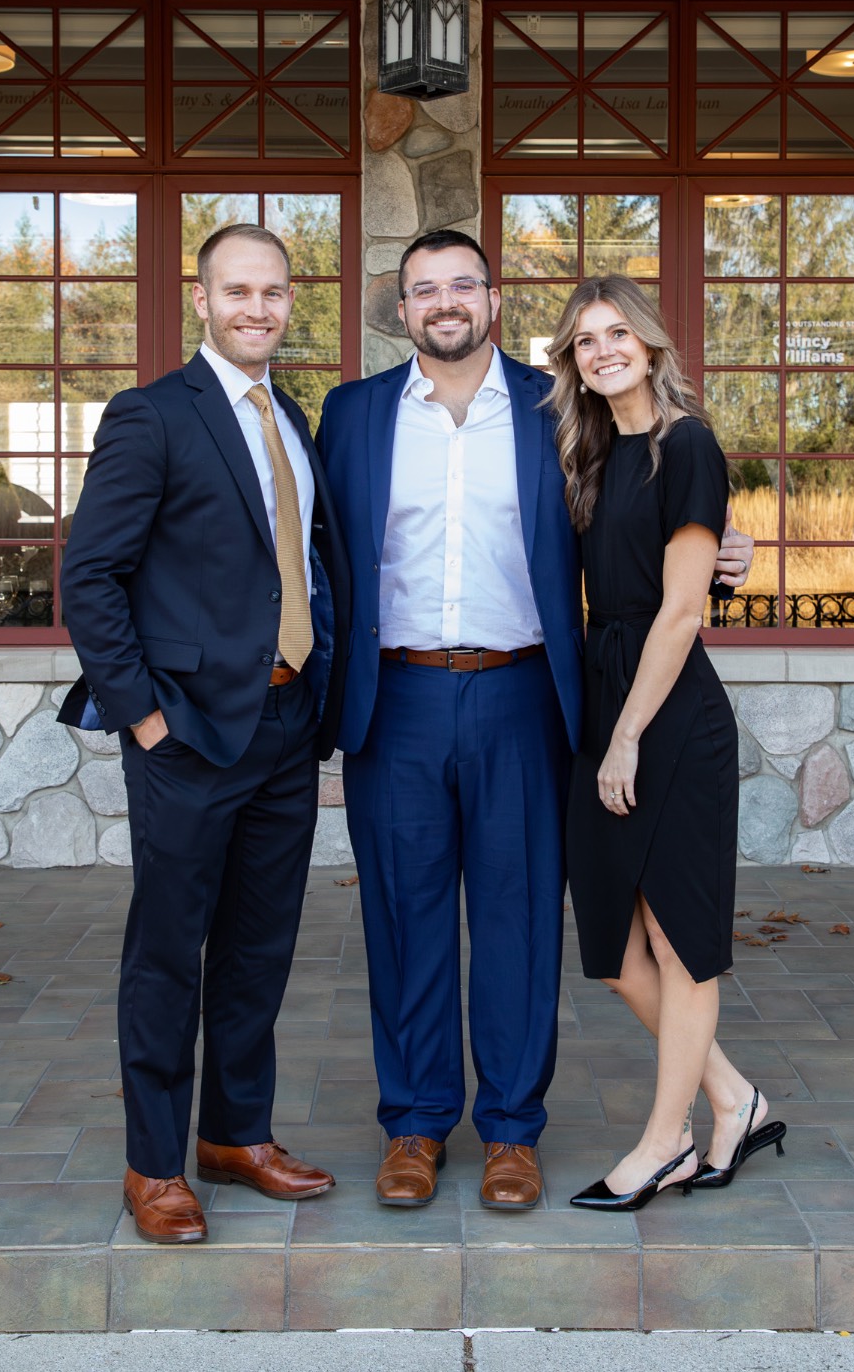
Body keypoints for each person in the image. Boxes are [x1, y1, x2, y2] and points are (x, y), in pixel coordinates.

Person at [316, 231, 755, 1212]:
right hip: (397, 698)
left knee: (517, 920)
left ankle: (511, 1129)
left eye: (461, 284)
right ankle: (416, 1125)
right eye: (423, 288)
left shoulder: (557, 409)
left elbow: (654, 488)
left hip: (524, 697)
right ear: (400, 307)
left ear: (493, 298)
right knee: (403, 916)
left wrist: (730, 540)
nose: (444, 301)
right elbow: (314, 550)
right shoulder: (350, 416)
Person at [58, 224, 350, 1244]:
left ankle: (235, 1137)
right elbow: (87, 577)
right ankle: (154, 1165)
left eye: (273, 292)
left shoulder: (294, 417)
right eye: (238, 291)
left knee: (259, 948)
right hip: (184, 735)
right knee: (168, 956)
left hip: (284, 722)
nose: (257, 309)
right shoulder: (152, 417)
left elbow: (301, 566)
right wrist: (142, 716)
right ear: (202, 298)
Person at [546, 275, 786, 1213]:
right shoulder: (591, 452)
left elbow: (683, 608)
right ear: (573, 361)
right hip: (608, 692)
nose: (603, 350)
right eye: (584, 340)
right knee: (613, 950)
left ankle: (665, 1141)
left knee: (681, 943)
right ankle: (734, 1097)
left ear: (649, 344)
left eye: (618, 333)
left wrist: (627, 739)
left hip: (668, 712)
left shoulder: (687, 445)